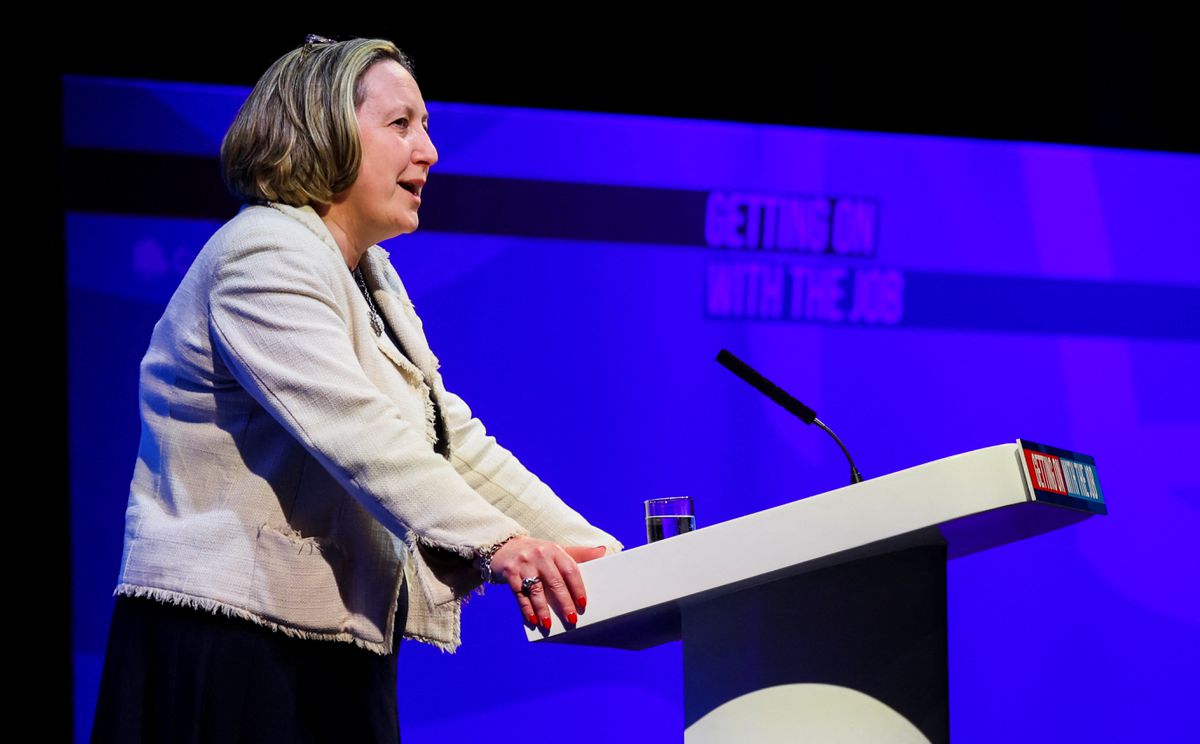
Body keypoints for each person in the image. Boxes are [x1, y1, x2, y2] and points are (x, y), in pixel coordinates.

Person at [90, 35, 622, 743]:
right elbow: (359, 434)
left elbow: (447, 440)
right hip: (231, 646)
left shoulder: (369, 277)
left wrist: (604, 560)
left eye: (426, 126)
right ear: (325, 130)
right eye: (401, 124)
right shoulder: (262, 253)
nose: (428, 151)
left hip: (331, 645)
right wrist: (500, 546)